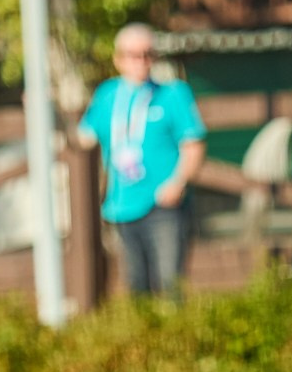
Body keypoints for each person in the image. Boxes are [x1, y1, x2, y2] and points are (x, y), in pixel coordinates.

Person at [77, 23, 206, 296]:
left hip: (163, 204)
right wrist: (45, 111)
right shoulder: (108, 95)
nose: (142, 61)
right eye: (133, 55)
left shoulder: (173, 93)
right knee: (136, 285)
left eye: (148, 54)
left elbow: (193, 144)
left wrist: (178, 183)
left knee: (170, 284)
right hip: (122, 204)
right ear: (118, 59)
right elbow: (82, 138)